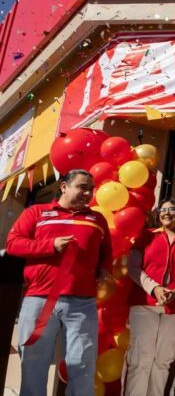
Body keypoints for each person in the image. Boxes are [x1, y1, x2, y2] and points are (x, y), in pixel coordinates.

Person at [7, 169, 112, 395]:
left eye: (91, 189)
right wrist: (50, 246)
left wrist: (105, 268)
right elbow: (13, 243)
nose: (88, 193)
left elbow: (106, 250)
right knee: (34, 363)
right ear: (64, 187)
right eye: (82, 187)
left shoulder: (97, 219)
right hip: (39, 299)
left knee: (82, 365)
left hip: (82, 303)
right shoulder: (36, 212)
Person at [124, 197, 175, 396]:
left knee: (163, 359)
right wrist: (154, 288)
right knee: (140, 358)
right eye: (163, 210)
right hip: (144, 304)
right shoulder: (146, 236)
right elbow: (133, 268)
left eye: (172, 209)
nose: (166, 213)